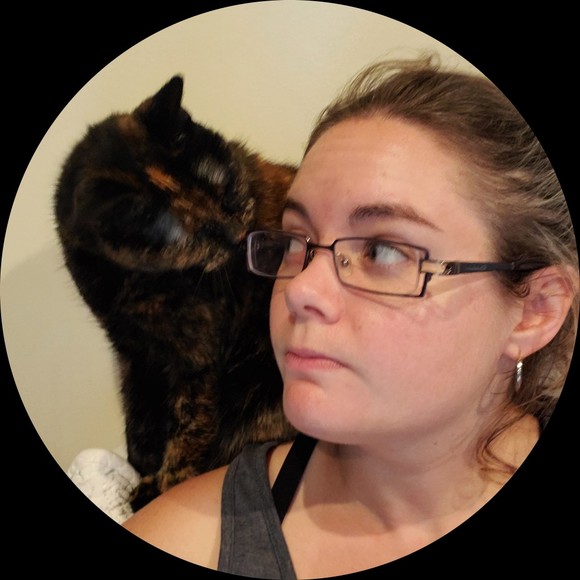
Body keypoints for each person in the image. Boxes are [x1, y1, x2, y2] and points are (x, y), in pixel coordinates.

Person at [122, 54, 579, 578]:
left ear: (534, 311)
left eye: (383, 251)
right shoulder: (186, 540)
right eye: (296, 241)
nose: (300, 290)